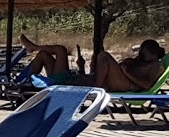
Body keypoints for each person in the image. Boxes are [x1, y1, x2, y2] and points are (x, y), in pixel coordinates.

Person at [22, 33, 165, 92]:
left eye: (143, 50)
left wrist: (127, 72)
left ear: (150, 51)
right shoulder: (141, 61)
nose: (141, 53)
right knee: (43, 55)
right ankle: (29, 83)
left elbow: (148, 86)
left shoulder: (155, 66)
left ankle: (96, 88)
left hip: (128, 84)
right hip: (76, 79)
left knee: (62, 50)